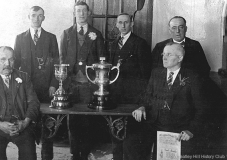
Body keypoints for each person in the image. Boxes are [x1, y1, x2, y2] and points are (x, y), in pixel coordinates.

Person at [124, 43, 209, 160]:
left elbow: (201, 109)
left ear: (180, 58)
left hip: (178, 128)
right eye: (163, 54)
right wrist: (142, 107)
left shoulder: (193, 77)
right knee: (131, 143)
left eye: (169, 54)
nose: (164, 57)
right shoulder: (156, 73)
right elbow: (147, 96)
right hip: (153, 123)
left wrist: (191, 130)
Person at [59, 1, 106, 159]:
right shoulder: (66, 34)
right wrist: (63, 82)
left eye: (84, 11)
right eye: (78, 11)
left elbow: (101, 59)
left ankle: (85, 152)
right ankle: (74, 152)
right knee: (72, 118)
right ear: (74, 13)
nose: (81, 14)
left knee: (87, 118)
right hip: (71, 83)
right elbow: (61, 59)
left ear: (89, 13)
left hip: (89, 83)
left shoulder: (96, 34)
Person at [108, 13, 152, 160]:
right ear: (116, 24)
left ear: (132, 23)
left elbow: (146, 75)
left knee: (132, 135)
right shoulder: (114, 44)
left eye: (126, 22)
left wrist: (142, 102)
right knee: (116, 130)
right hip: (116, 96)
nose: (123, 25)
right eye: (120, 22)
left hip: (133, 98)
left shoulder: (140, 43)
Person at [0, 46, 40, 160]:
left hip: (21, 125)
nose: (7, 63)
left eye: (11, 60)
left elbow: (34, 103)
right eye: (3, 59)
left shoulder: (24, 77)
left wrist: (25, 123)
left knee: (29, 154)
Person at [14, 6, 59, 103]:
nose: (36, 19)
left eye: (40, 16)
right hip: (26, 86)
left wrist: (54, 85)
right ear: (28, 17)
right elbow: (16, 64)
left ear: (43, 18)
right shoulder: (20, 38)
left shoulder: (51, 38)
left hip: (46, 87)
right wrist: (18, 85)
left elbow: (57, 64)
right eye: (33, 15)